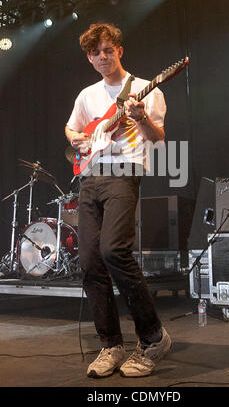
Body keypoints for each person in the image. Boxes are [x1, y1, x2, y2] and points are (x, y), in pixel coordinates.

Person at [65, 22, 171, 378]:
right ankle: (110, 343)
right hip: (90, 176)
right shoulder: (87, 95)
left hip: (124, 172)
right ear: (89, 57)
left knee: (114, 251)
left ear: (119, 51)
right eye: (95, 53)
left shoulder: (143, 90)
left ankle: (153, 337)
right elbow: (71, 128)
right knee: (89, 260)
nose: (102, 57)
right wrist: (80, 138)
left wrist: (141, 119)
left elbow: (157, 140)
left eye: (108, 50)